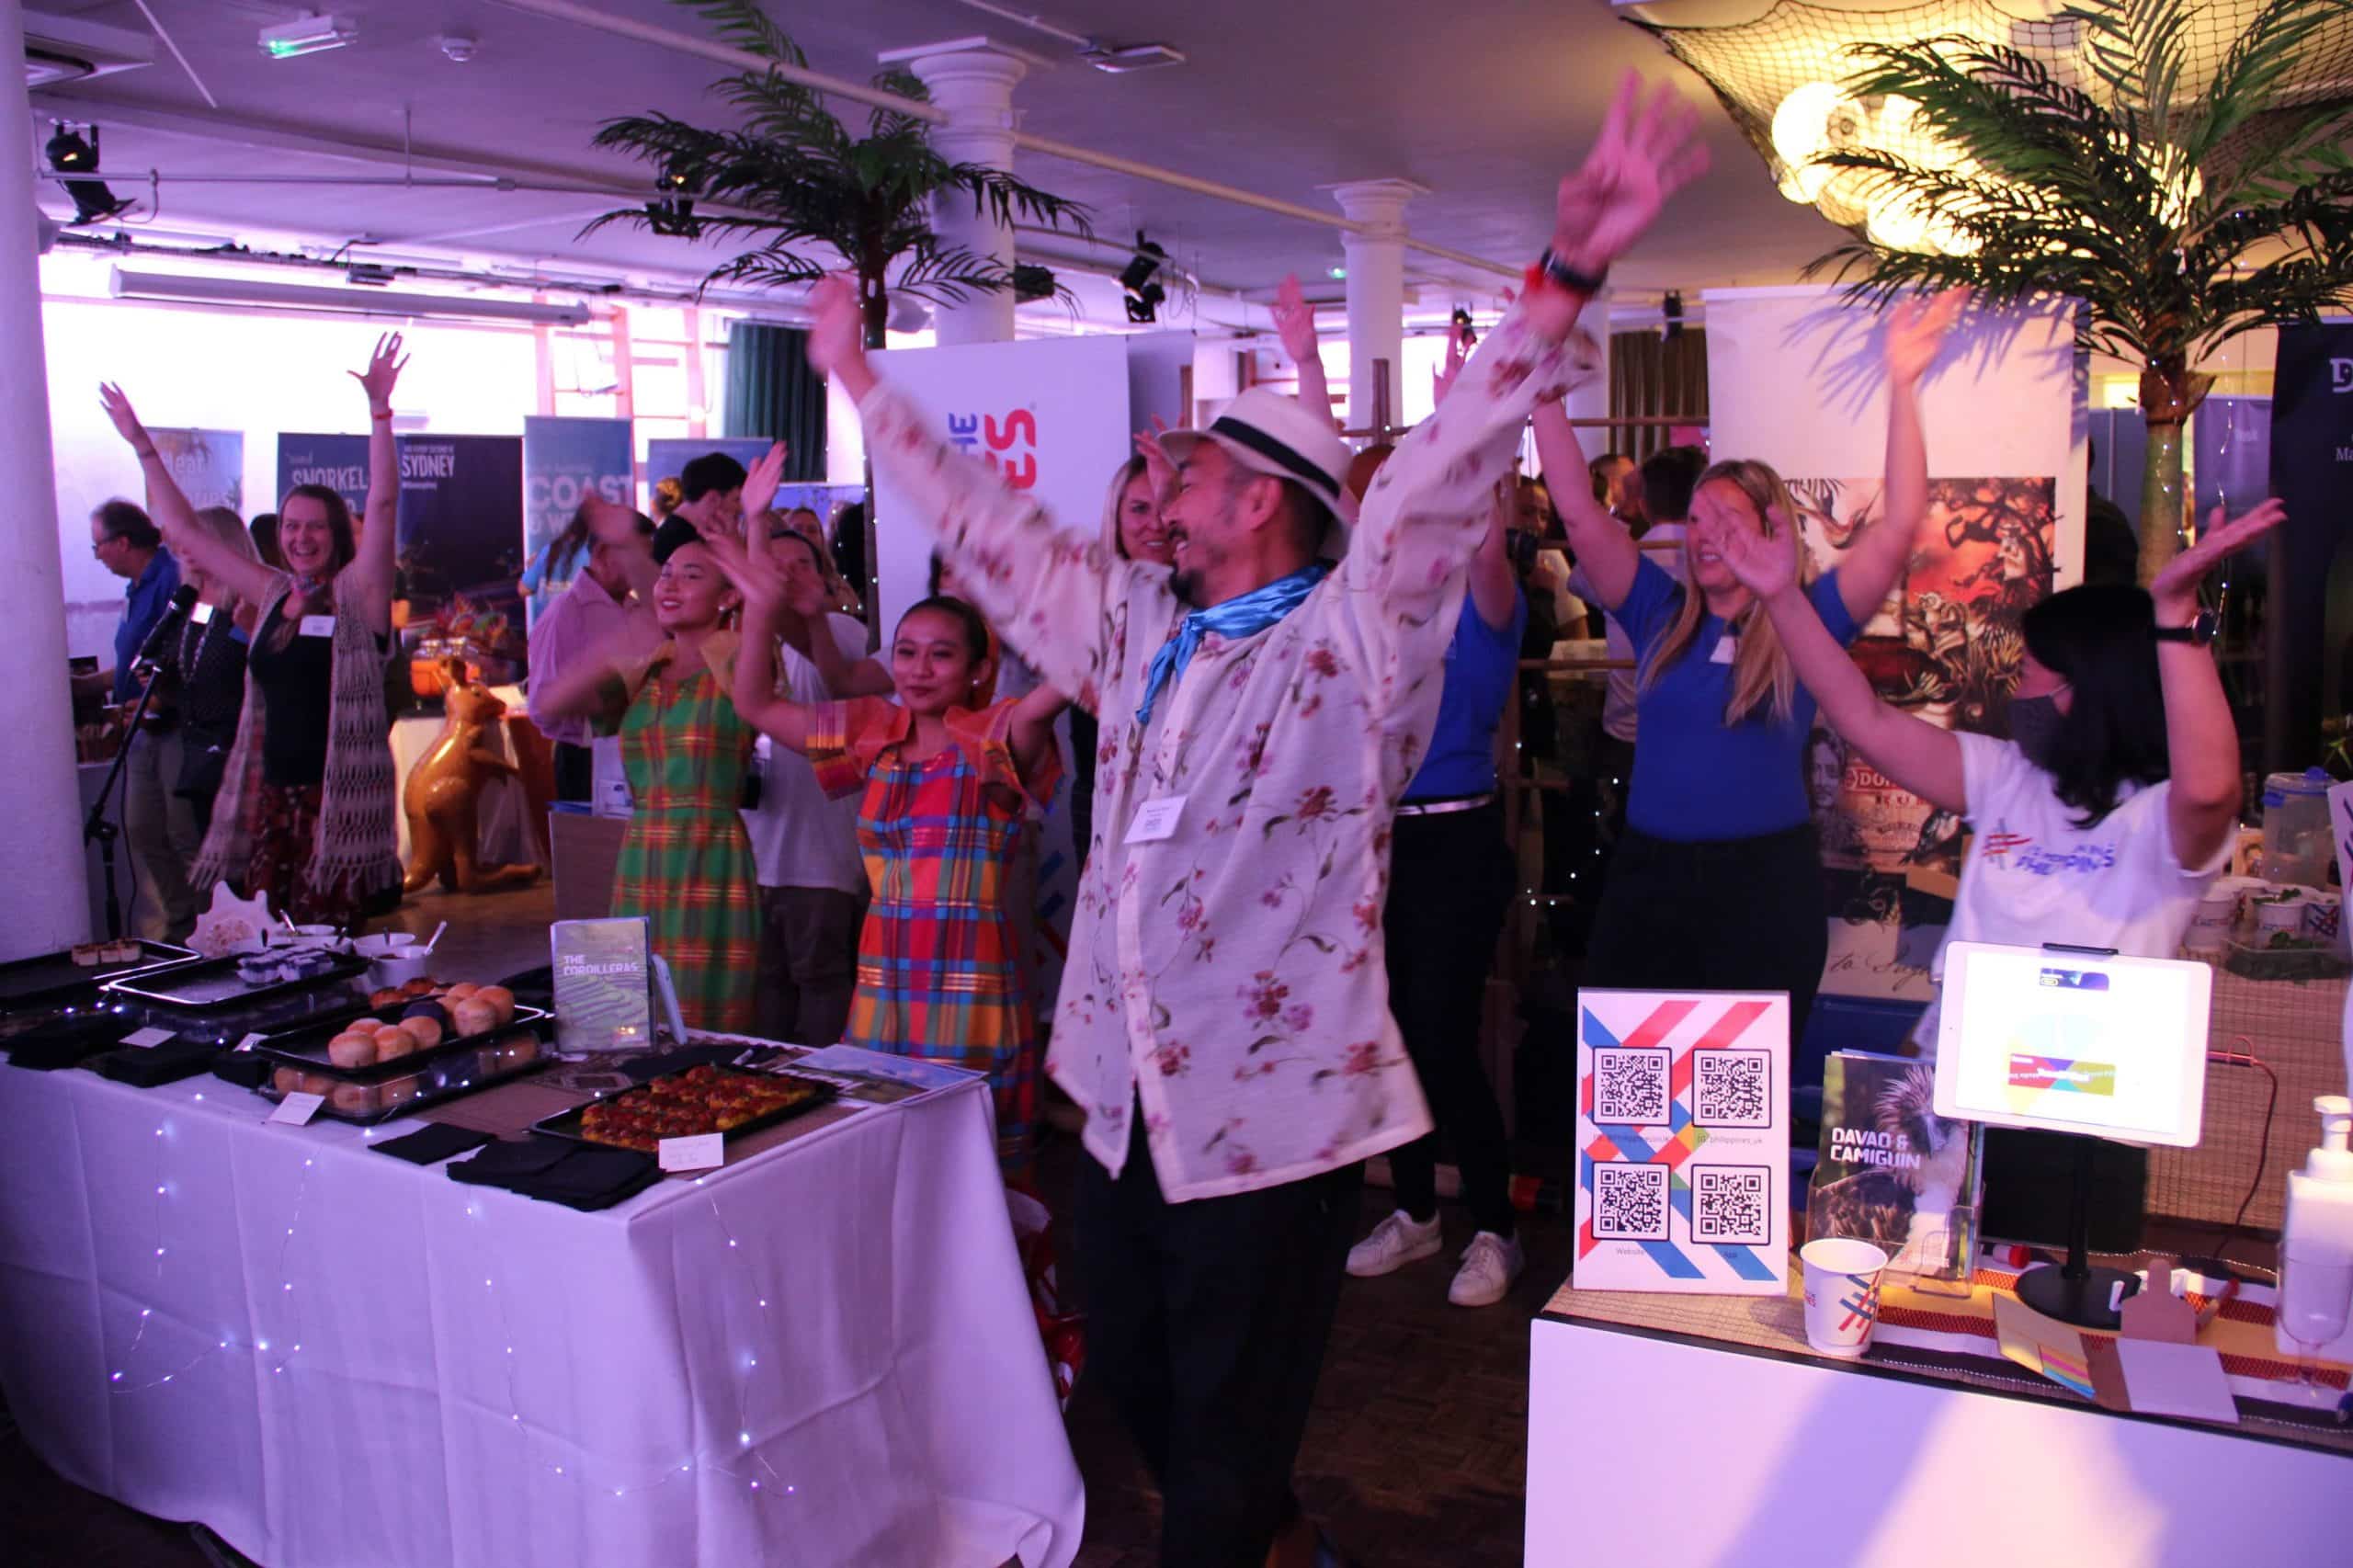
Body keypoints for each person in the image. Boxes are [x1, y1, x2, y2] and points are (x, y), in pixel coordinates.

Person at [806, 72, 1705, 1565]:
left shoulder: (1354, 638)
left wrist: (1564, 272)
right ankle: (1278, 1537)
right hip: (1118, 1104)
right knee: (1136, 1383)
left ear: (1267, 502)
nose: (1168, 486)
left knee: (1225, 1451)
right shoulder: (1135, 624)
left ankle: (1250, 1536)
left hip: (1273, 1124)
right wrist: (859, 381)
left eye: (1200, 470)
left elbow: (1443, 467)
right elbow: (986, 524)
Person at [1535, 287, 1964, 1046]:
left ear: (1771, 528)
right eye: (1698, 518)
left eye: (1727, 519)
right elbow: (1575, 507)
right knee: (1634, 1089)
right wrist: (1540, 391)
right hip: (1650, 882)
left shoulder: (1807, 618)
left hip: (1762, 890)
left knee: (1741, 1095)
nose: (1705, 535)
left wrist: (1903, 384)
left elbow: (1899, 524)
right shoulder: (1658, 610)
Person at [712, 536, 1065, 1174]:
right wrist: (760, 605)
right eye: (906, 652)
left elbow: (1075, 675)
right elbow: (755, 704)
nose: (919, 669)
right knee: (886, 1162)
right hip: (883, 981)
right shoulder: (871, 731)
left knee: (971, 1172)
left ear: (978, 670)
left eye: (941, 655)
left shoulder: (998, 735)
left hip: (970, 984)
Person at [1343, 324, 1532, 1308]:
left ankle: (1496, 1226)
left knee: (1442, 1036)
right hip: (1371, 842)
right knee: (1385, 1037)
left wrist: (1471, 419)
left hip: (1456, 837)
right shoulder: (1360, 614)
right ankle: (1417, 1213)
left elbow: (1487, 542)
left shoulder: (1479, 604)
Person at [104, 337, 408, 933]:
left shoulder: (360, 596)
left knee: (328, 946)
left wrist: (380, 412)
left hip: (335, 805)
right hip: (271, 800)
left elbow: (384, 503)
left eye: (315, 528)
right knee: (272, 945)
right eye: (291, 526)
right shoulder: (271, 592)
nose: (300, 538)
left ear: (337, 534)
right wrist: (142, 445)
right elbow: (186, 535)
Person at [533, 511, 761, 1031]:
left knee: (705, 1025)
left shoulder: (739, 659)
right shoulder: (645, 671)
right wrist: (630, 637)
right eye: (665, 574)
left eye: (691, 576)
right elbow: (551, 703)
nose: (669, 585)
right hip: (640, 854)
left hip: (711, 856)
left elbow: (764, 607)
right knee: (629, 1020)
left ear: (729, 596)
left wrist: (753, 521)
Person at [737, 527, 877, 1046]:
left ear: (824, 578)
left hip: (819, 860)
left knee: (821, 982)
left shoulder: (839, 634)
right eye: (774, 563)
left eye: (802, 563)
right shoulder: (733, 644)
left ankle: (826, 1087)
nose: (787, 574)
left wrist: (811, 616)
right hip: (747, 854)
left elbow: (841, 681)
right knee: (764, 987)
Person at [77, 497, 201, 940]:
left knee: (182, 832)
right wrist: (90, 685)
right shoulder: (135, 590)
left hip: (173, 727)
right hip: (140, 729)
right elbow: (136, 662)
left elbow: (188, 652)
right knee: (142, 828)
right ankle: (181, 923)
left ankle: (209, 927)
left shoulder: (170, 578)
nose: (97, 556)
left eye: (97, 546)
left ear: (123, 542)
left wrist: (159, 701)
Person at [526, 498, 662, 803]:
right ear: (602, 554)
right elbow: (541, 706)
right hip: (584, 758)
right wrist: (611, 700)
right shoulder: (566, 612)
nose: (645, 568)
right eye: (639, 557)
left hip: (640, 752)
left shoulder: (637, 608)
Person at [169, 506, 262, 836]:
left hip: (238, 749)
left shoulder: (248, 604)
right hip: (196, 747)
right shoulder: (188, 601)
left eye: (196, 539)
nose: (185, 549)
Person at [672, 451, 749, 540]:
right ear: (712, 499)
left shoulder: (683, 531)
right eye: (737, 500)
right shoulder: (682, 540)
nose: (742, 509)